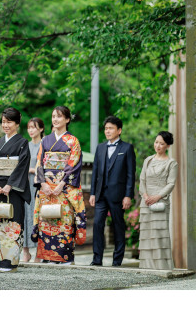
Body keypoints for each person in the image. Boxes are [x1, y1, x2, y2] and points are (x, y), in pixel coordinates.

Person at [32, 105, 86, 264]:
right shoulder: (45, 140)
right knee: (46, 220)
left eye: (59, 116)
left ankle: (64, 257)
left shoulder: (73, 141)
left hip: (63, 190)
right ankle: (47, 256)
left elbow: (74, 164)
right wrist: (43, 183)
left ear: (67, 120)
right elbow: (39, 162)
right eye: (53, 116)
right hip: (47, 189)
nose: (55, 119)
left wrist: (61, 185)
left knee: (64, 222)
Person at [0, 108, 31, 272]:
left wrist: (9, 186)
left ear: (17, 123)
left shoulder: (22, 143)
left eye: (9, 122)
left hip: (13, 190)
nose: (6, 125)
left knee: (12, 223)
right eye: (4, 122)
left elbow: (22, 166)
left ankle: (9, 262)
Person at [89, 115, 136, 267]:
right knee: (97, 224)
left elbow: (130, 174)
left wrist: (128, 195)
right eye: (106, 128)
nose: (107, 131)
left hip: (118, 195)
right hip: (101, 194)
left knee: (118, 226)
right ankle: (97, 259)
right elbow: (95, 172)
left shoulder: (127, 148)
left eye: (111, 128)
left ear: (119, 130)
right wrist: (92, 193)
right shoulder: (100, 147)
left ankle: (117, 261)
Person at [138, 131, 178, 270]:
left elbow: (171, 184)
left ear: (167, 145)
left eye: (161, 143)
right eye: (156, 142)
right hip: (146, 201)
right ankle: (146, 267)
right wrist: (145, 196)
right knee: (147, 234)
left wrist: (157, 196)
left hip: (161, 202)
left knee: (159, 233)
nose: (158, 145)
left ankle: (162, 267)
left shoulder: (171, 163)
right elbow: (142, 180)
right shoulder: (148, 160)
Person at [22, 117, 43, 262]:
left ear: (41, 129)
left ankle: (38, 252)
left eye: (34, 127)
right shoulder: (25, 145)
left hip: (38, 185)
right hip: (25, 185)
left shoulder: (45, 145)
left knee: (37, 217)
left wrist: (33, 170)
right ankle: (26, 251)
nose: (31, 130)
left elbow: (45, 166)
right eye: (29, 127)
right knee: (24, 217)